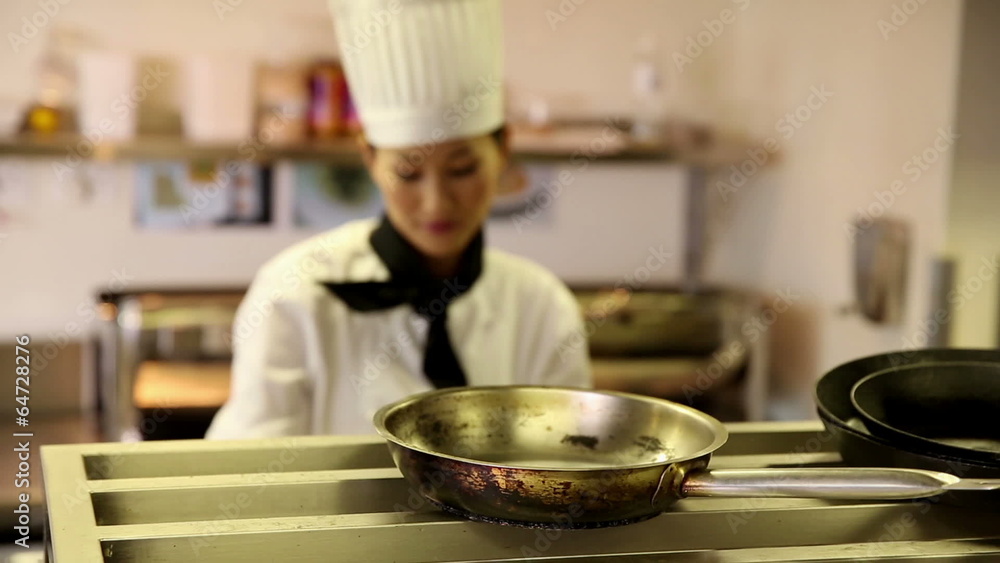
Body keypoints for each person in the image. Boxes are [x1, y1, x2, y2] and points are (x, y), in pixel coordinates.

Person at [204, 0, 592, 439]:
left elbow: (565, 464)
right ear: (369, 157)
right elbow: (250, 473)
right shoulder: (292, 295)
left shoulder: (541, 307)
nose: (436, 203)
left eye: (463, 169)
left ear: (503, 149)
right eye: (408, 173)